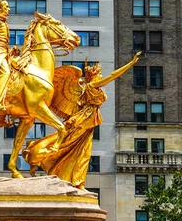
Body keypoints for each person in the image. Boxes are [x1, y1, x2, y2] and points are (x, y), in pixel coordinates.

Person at [23, 53, 141, 188]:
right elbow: (112, 76)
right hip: (82, 121)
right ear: (94, 76)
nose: (101, 77)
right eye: (99, 74)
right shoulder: (92, 86)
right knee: (70, 147)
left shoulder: (87, 87)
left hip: (87, 123)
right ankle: (37, 155)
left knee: (81, 152)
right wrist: (130, 64)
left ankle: (77, 181)